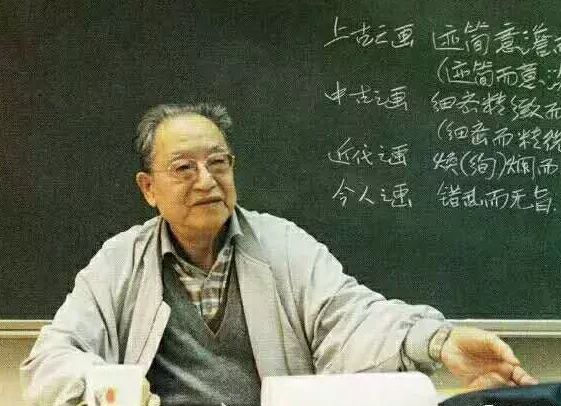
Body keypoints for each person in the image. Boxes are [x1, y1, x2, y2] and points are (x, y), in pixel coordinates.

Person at [21, 103, 537, 406]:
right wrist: (114, 388)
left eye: (218, 162)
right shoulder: (119, 262)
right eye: (184, 168)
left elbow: (352, 319)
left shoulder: (283, 245)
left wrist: (441, 342)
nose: (207, 180)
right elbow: (51, 358)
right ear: (148, 188)